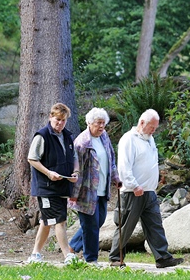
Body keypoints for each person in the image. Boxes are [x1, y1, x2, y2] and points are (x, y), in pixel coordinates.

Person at [108, 109, 184, 268]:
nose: (154, 130)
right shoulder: (128, 139)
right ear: (142, 122)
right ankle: (116, 257)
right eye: (152, 127)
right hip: (132, 191)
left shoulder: (149, 139)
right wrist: (133, 185)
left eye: (155, 127)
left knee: (155, 224)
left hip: (149, 191)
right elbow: (124, 167)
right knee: (126, 225)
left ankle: (163, 257)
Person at [68, 107, 121, 266]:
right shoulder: (82, 143)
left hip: (102, 188)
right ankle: (91, 259)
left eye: (103, 123)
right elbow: (76, 170)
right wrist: (73, 194)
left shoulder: (104, 137)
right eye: (98, 123)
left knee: (99, 220)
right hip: (86, 191)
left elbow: (111, 158)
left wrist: (116, 177)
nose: (101, 127)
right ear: (89, 123)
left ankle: (72, 246)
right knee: (90, 225)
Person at [27, 103, 79, 264]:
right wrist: (49, 173)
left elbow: (75, 158)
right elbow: (32, 158)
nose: (60, 123)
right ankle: (67, 255)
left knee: (46, 221)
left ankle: (35, 255)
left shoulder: (68, 136)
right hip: (46, 188)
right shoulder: (42, 136)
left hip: (62, 186)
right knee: (59, 220)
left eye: (63, 120)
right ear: (50, 117)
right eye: (57, 120)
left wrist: (75, 173)